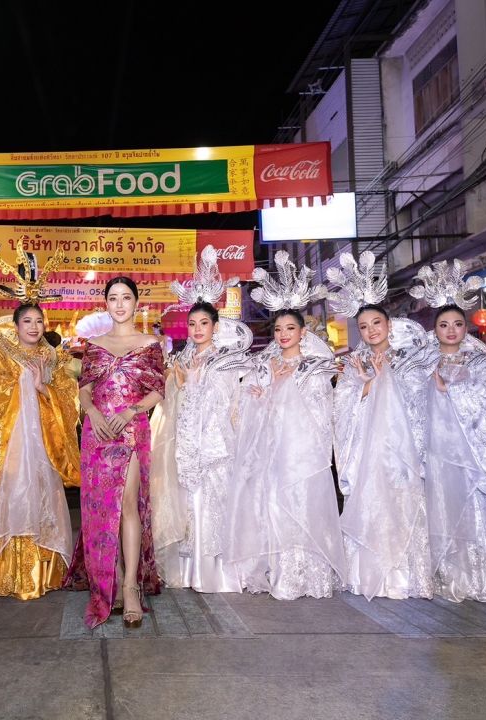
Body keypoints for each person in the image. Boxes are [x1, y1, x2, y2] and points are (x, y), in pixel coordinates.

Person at [228, 253, 345, 599]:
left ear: (302, 332)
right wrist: (258, 393)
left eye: (289, 329)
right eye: (278, 329)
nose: (282, 335)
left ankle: (307, 574)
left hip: (301, 450)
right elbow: (250, 403)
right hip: (270, 449)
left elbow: (322, 408)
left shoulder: (315, 365)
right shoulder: (265, 362)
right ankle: (279, 572)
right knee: (273, 506)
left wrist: (289, 383)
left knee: (301, 505)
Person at [331, 251, 433, 600]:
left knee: (402, 506)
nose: (371, 330)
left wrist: (383, 377)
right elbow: (342, 406)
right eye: (363, 326)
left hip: (401, 451)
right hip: (366, 453)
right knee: (370, 506)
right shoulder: (354, 362)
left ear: (389, 324)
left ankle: (404, 576)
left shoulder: (409, 359)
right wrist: (365, 386)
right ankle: (368, 575)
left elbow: (419, 403)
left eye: (376, 323)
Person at [151, 247, 252, 596]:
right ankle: (190, 570)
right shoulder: (183, 358)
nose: (196, 329)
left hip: (216, 444)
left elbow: (232, 400)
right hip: (186, 442)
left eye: (203, 323)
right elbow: (171, 400)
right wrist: (180, 385)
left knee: (213, 504)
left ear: (215, 325)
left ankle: (217, 573)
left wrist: (197, 384)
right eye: (191, 323)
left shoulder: (226, 359)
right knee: (188, 506)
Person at [65, 276, 165, 628]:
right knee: (100, 507)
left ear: (136, 302)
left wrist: (131, 412)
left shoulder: (150, 343)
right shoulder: (93, 344)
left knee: (127, 504)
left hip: (131, 431)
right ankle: (113, 579)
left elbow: (157, 391)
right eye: (113, 298)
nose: (119, 304)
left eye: (126, 297)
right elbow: (85, 390)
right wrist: (92, 413)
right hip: (97, 432)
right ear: (105, 303)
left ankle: (130, 586)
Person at [0, 300, 80, 600]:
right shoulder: (2, 360)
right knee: (16, 495)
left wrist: (43, 388)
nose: (34, 327)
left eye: (39, 321)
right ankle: (14, 573)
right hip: (14, 442)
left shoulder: (53, 360)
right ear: (17, 326)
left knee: (44, 494)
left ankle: (45, 570)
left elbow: (67, 403)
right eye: (27, 321)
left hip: (44, 443)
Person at [421, 299, 486, 602]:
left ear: (467, 328)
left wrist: (452, 390)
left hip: (473, 452)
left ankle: (479, 578)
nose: (451, 330)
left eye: (458, 324)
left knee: (475, 512)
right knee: (442, 508)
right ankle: (446, 576)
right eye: (444, 325)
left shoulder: (480, 363)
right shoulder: (423, 362)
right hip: (437, 450)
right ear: (434, 330)